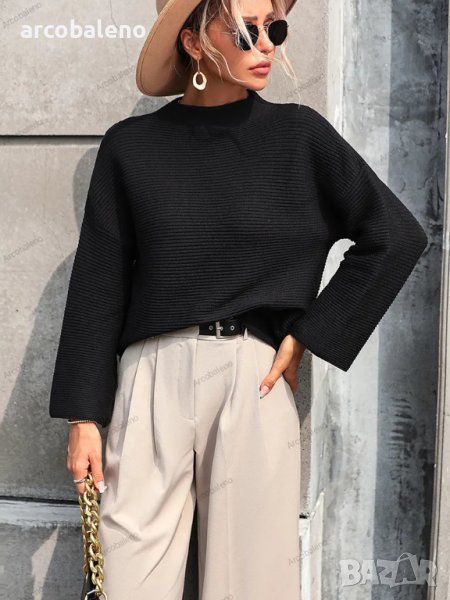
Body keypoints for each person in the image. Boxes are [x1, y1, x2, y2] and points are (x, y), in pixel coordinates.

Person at [48, 0, 428, 597]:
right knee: (125, 583)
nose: (268, 44)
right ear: (194, 42)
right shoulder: (131, 147)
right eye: (247, 31)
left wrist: (310, 332)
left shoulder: (299, 136)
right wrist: (83, 418)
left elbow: (396, 235)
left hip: (255, 379)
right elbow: (100, 283)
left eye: (273, 28)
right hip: (149, 380)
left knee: (251, 585)